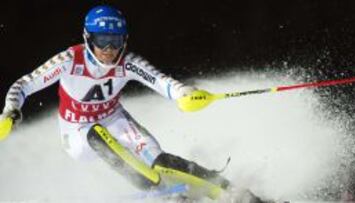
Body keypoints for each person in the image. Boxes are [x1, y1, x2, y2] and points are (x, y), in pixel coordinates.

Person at [1, 5, 237, 201]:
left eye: (115, 41)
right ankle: (152, 186)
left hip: (115, 120)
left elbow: (163, 82)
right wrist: (11, 111)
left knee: (160, 162)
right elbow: (24, 84)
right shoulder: (69, 60)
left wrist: (185, 93)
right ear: (88, 38)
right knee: (96, 135)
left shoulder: (127, 63)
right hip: (77, 132)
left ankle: (232, 192)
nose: (108, 50)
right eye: (102, 40)